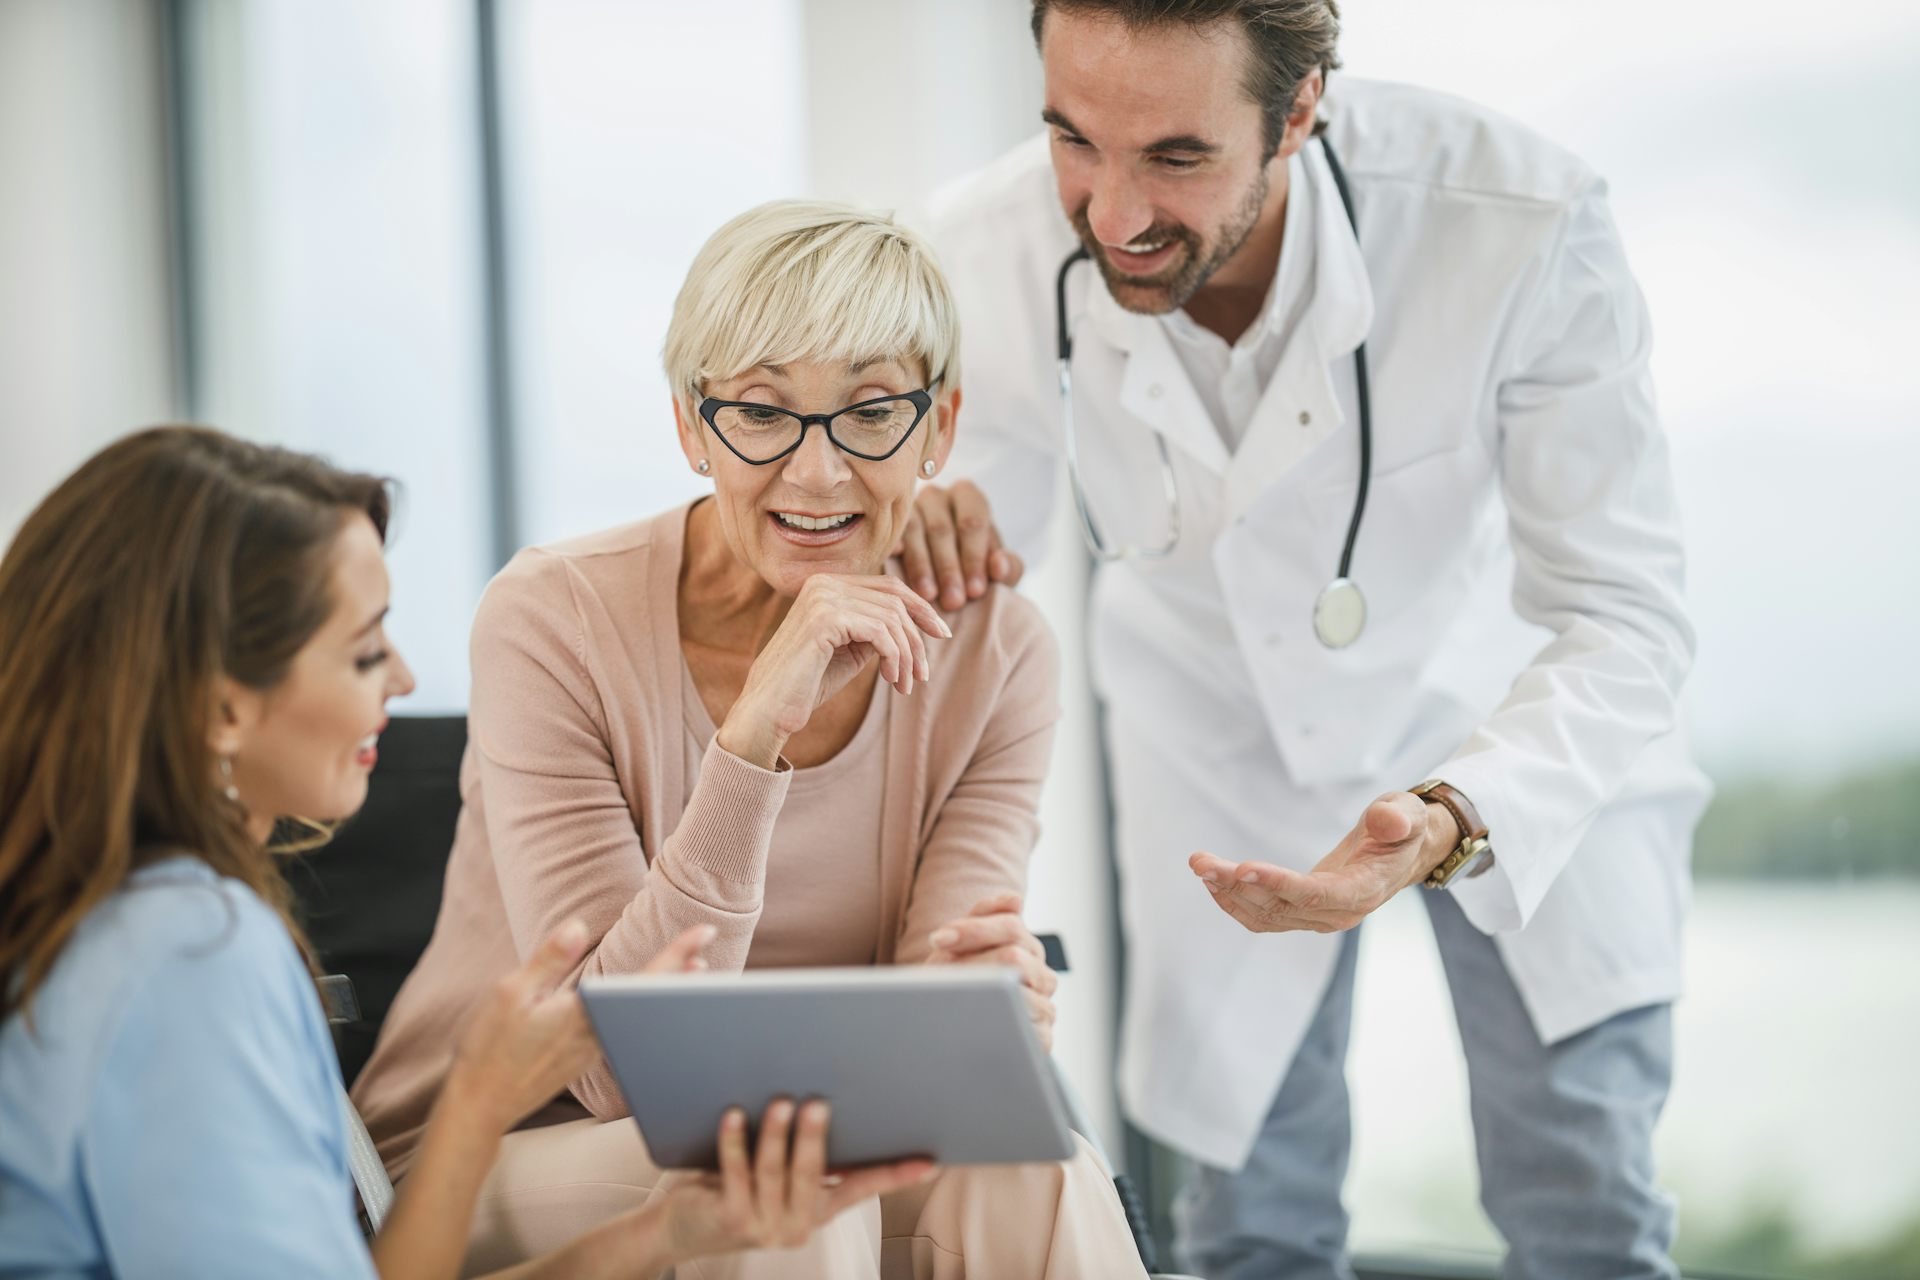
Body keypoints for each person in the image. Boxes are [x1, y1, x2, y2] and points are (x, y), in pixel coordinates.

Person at [898, 2, 1712, 1277]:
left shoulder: (1517, 220)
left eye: (1176, 156)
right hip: (1213, 736)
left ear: (1300, 108)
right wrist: (922, 521)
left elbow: (1625, 613)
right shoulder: (981, 249)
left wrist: (1452, 815)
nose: (1112, 214)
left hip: (1505, 707)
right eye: (1072, 138)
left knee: (1586, 1204)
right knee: (1248, 1227)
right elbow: (972, 555)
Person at [350, 202, 1149, 1279]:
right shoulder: (550, 616)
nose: (816, 474)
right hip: (499, 1149)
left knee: (1039, 1167)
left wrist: (983, 1005)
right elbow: (608, 1067)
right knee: (789, 1188)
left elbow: (932, 1013)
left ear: (940, 425)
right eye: (762, 414)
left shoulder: (995, 650)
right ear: (692, 426)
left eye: (873, 413)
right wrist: (751, 736)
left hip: (814, 1139)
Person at [0, 426, 934, 1279]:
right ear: (223, 707)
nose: (405, 679)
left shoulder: (147, 923)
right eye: (366, 651)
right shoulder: (190, 953)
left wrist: (655, 1228)